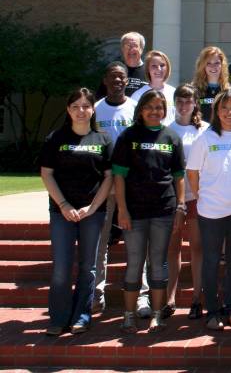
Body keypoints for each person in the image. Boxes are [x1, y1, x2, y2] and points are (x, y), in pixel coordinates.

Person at [41, 88, 114, 336]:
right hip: (62, 212)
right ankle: (58, 318)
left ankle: (82, 317)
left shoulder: (103, 139)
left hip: (92, 213)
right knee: (61, 268)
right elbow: (46, 174)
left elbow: (108, 177)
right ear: (68, 110)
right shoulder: (55, 138)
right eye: (75, 106)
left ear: (93, 109)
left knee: (88, 267)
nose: (81, 111)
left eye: (86, 106)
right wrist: (64, 205)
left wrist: (92, 207)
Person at [112, 90, 186, 333]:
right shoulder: (128, 136)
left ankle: (157, 314)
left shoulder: (172, 137)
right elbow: (119, 177)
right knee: (134, 262)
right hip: (134, 211)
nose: (155, 111)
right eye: (150, 107)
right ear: (141, 109)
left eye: (159, 107)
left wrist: (180, 207)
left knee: (158, 263)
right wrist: (122, 210)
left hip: (163, 210)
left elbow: (178, 177)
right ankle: (129, 315)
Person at [186, 89, 231, 331]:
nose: (230, 112)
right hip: (211, 212)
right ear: (217, 111)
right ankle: (212, 311)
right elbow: (192, 172)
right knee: (212, 261)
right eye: (225, 108)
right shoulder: (205, 138)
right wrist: (201, 195)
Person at [93, 62, 139, 314]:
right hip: (102, 185)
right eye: (113, 77)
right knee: (100, 242)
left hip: (131, 184)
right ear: (105, 80)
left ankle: (140, 294)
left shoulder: (134, 109)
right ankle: (96, 293)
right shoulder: (95, 110)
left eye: (122, 77)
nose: (118, 81)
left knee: (136, 241)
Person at [162, 84, 209, 320]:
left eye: (188, 101)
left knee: (197, 247)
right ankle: (169, 298)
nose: (183, 106)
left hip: (198, 196)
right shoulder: (166, 130)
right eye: (179, 101)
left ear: (195, 103)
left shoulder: (205, 130)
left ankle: (197, 298)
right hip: (172, 197)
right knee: (173, 247)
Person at [96, 32, 148, 99]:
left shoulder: (149, 72)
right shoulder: (113, 71)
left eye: (135, 45)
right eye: (127, 45)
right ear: (122, 49)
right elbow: (100, 97)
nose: (131, 49)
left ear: (141, 49)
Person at [131, 50, 176, 125]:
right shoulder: (138, 95)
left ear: (167, 68)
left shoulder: (174, 92)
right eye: (154, 66)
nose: (159, 69)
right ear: (148, 69)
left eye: (162, 65)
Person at [193, 46, 231, 122]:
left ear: (222, 65)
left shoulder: (229, 90)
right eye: (208, 63)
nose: (213, 67)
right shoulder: (194, 90)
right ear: (203, 66)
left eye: (217, 63)